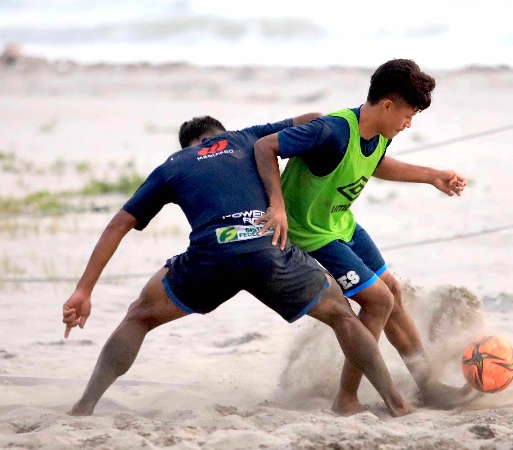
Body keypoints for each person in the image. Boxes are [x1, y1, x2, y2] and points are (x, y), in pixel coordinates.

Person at [62, 114, 414, 417]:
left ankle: (85, 405)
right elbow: (312, 118)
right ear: (221, 132)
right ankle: (395, 404)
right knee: (342, 314)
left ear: (190, 144)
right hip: (269, 248)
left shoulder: (173, 164)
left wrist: (83, 290)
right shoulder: (248, 137)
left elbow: (118, 224)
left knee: (139, 315)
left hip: (212, 256)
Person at [252, 59, 472, 416]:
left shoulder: (378, 134)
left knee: (393, 292)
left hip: (341, 225)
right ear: (387, 105)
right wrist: (276, 205)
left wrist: (433, 175)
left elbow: (377, 163)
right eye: (408, 114)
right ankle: (346, 398)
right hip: (310, 233)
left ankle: (427, 386)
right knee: (378, 301)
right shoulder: (332, 131)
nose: (408, 124)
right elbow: (265, 147)